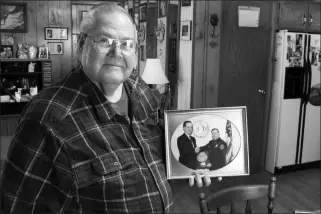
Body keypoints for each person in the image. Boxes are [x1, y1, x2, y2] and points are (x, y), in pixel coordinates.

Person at [0, 3, 212, 214]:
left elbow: (157, 148)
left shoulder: (139, 88)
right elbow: (19, 206)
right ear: (81, 44)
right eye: (105, 40)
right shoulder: (47, 118)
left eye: (127, 44)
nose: (116, 53)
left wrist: (189, 164)